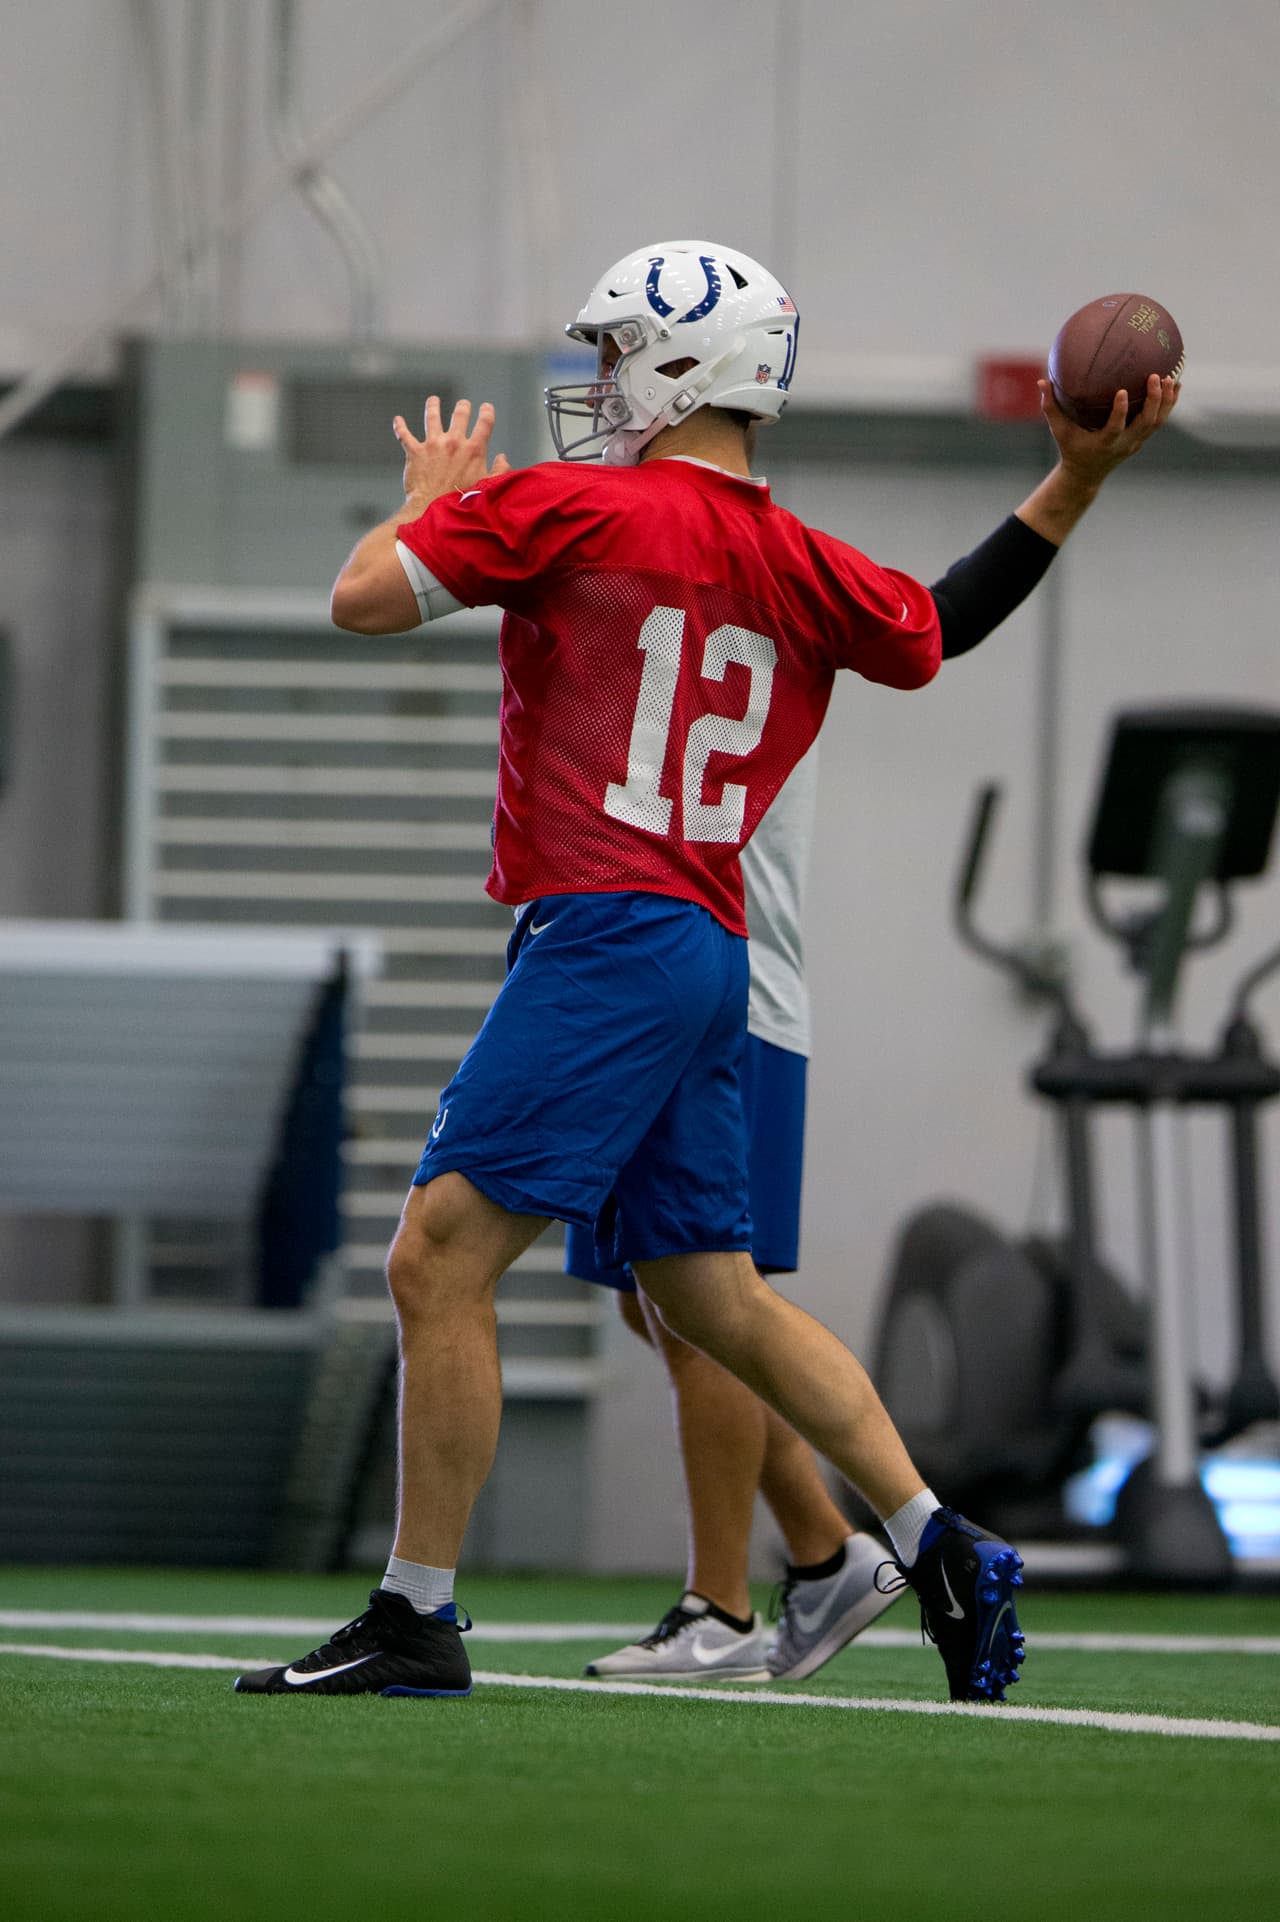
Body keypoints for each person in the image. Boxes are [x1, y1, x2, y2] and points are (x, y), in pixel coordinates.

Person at [234, 239, 1177, 1704]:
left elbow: (360, 596)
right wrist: (1076, 482)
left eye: (619, 356)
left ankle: (417, 1610)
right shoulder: (796, 556)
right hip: (709, 942)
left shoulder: (570, 508)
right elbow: (943, 623)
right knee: (710, 1296)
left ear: (684, 364)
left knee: (438, 1256)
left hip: (605, 925)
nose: (602, 386)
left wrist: (428, 507)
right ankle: (937, 1540)